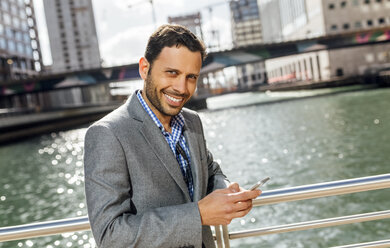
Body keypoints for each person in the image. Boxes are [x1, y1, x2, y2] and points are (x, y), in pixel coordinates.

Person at [84, 24, 261, 248]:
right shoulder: (107, 134)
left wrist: (228, 193)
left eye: (191, 77)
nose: (181, 87)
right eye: (172, 73)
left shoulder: (192, 121)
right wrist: (198, 215)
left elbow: (210, 171)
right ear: (144, 69)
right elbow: (110, 236)